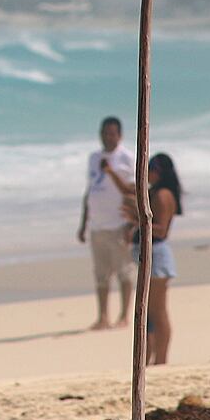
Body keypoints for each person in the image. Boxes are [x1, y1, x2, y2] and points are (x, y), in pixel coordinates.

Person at [77, 116, 137, 330]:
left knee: (124, 271)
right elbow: (89, 190)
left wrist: (133, 223)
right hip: (97, 225)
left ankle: (124, 315)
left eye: (112, 133)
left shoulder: (126, 158)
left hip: (118, 223)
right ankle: (103, 316)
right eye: (104, 133)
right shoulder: (94, 157)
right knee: (101, 274)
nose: (108, 137)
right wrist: (83, 223)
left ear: (119, 135)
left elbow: (132, 192)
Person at [143, 153, 184, 365]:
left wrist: (137, 220)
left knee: (157, 311)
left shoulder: (162, 195)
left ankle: (161, 359)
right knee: (150, 311)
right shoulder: (157, 192)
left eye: (150, 168)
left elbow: (161, 230)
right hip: (155, 255)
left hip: (158, 255)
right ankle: (154, 358)